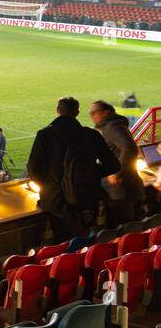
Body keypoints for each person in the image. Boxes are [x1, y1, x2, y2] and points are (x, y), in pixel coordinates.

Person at [27, 96, 121, 241]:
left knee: (63, 244)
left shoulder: (44, 135)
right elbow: (113, 165)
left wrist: (48, 185)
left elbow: (33, 170)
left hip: (56, 200)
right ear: (77, 113)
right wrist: (92, 175)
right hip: (87, 196)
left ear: (58, 111)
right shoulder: (92, 135)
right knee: (86, 240)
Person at [88, 100, 144, 228]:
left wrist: (117, 173)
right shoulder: (110, 126)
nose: (92, 116)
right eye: (91, 113)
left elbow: (130, 148)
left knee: (125, 231)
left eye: (95, 113)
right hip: (120, 190)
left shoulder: (112, 127)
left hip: (121, 191)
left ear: (106, 112)